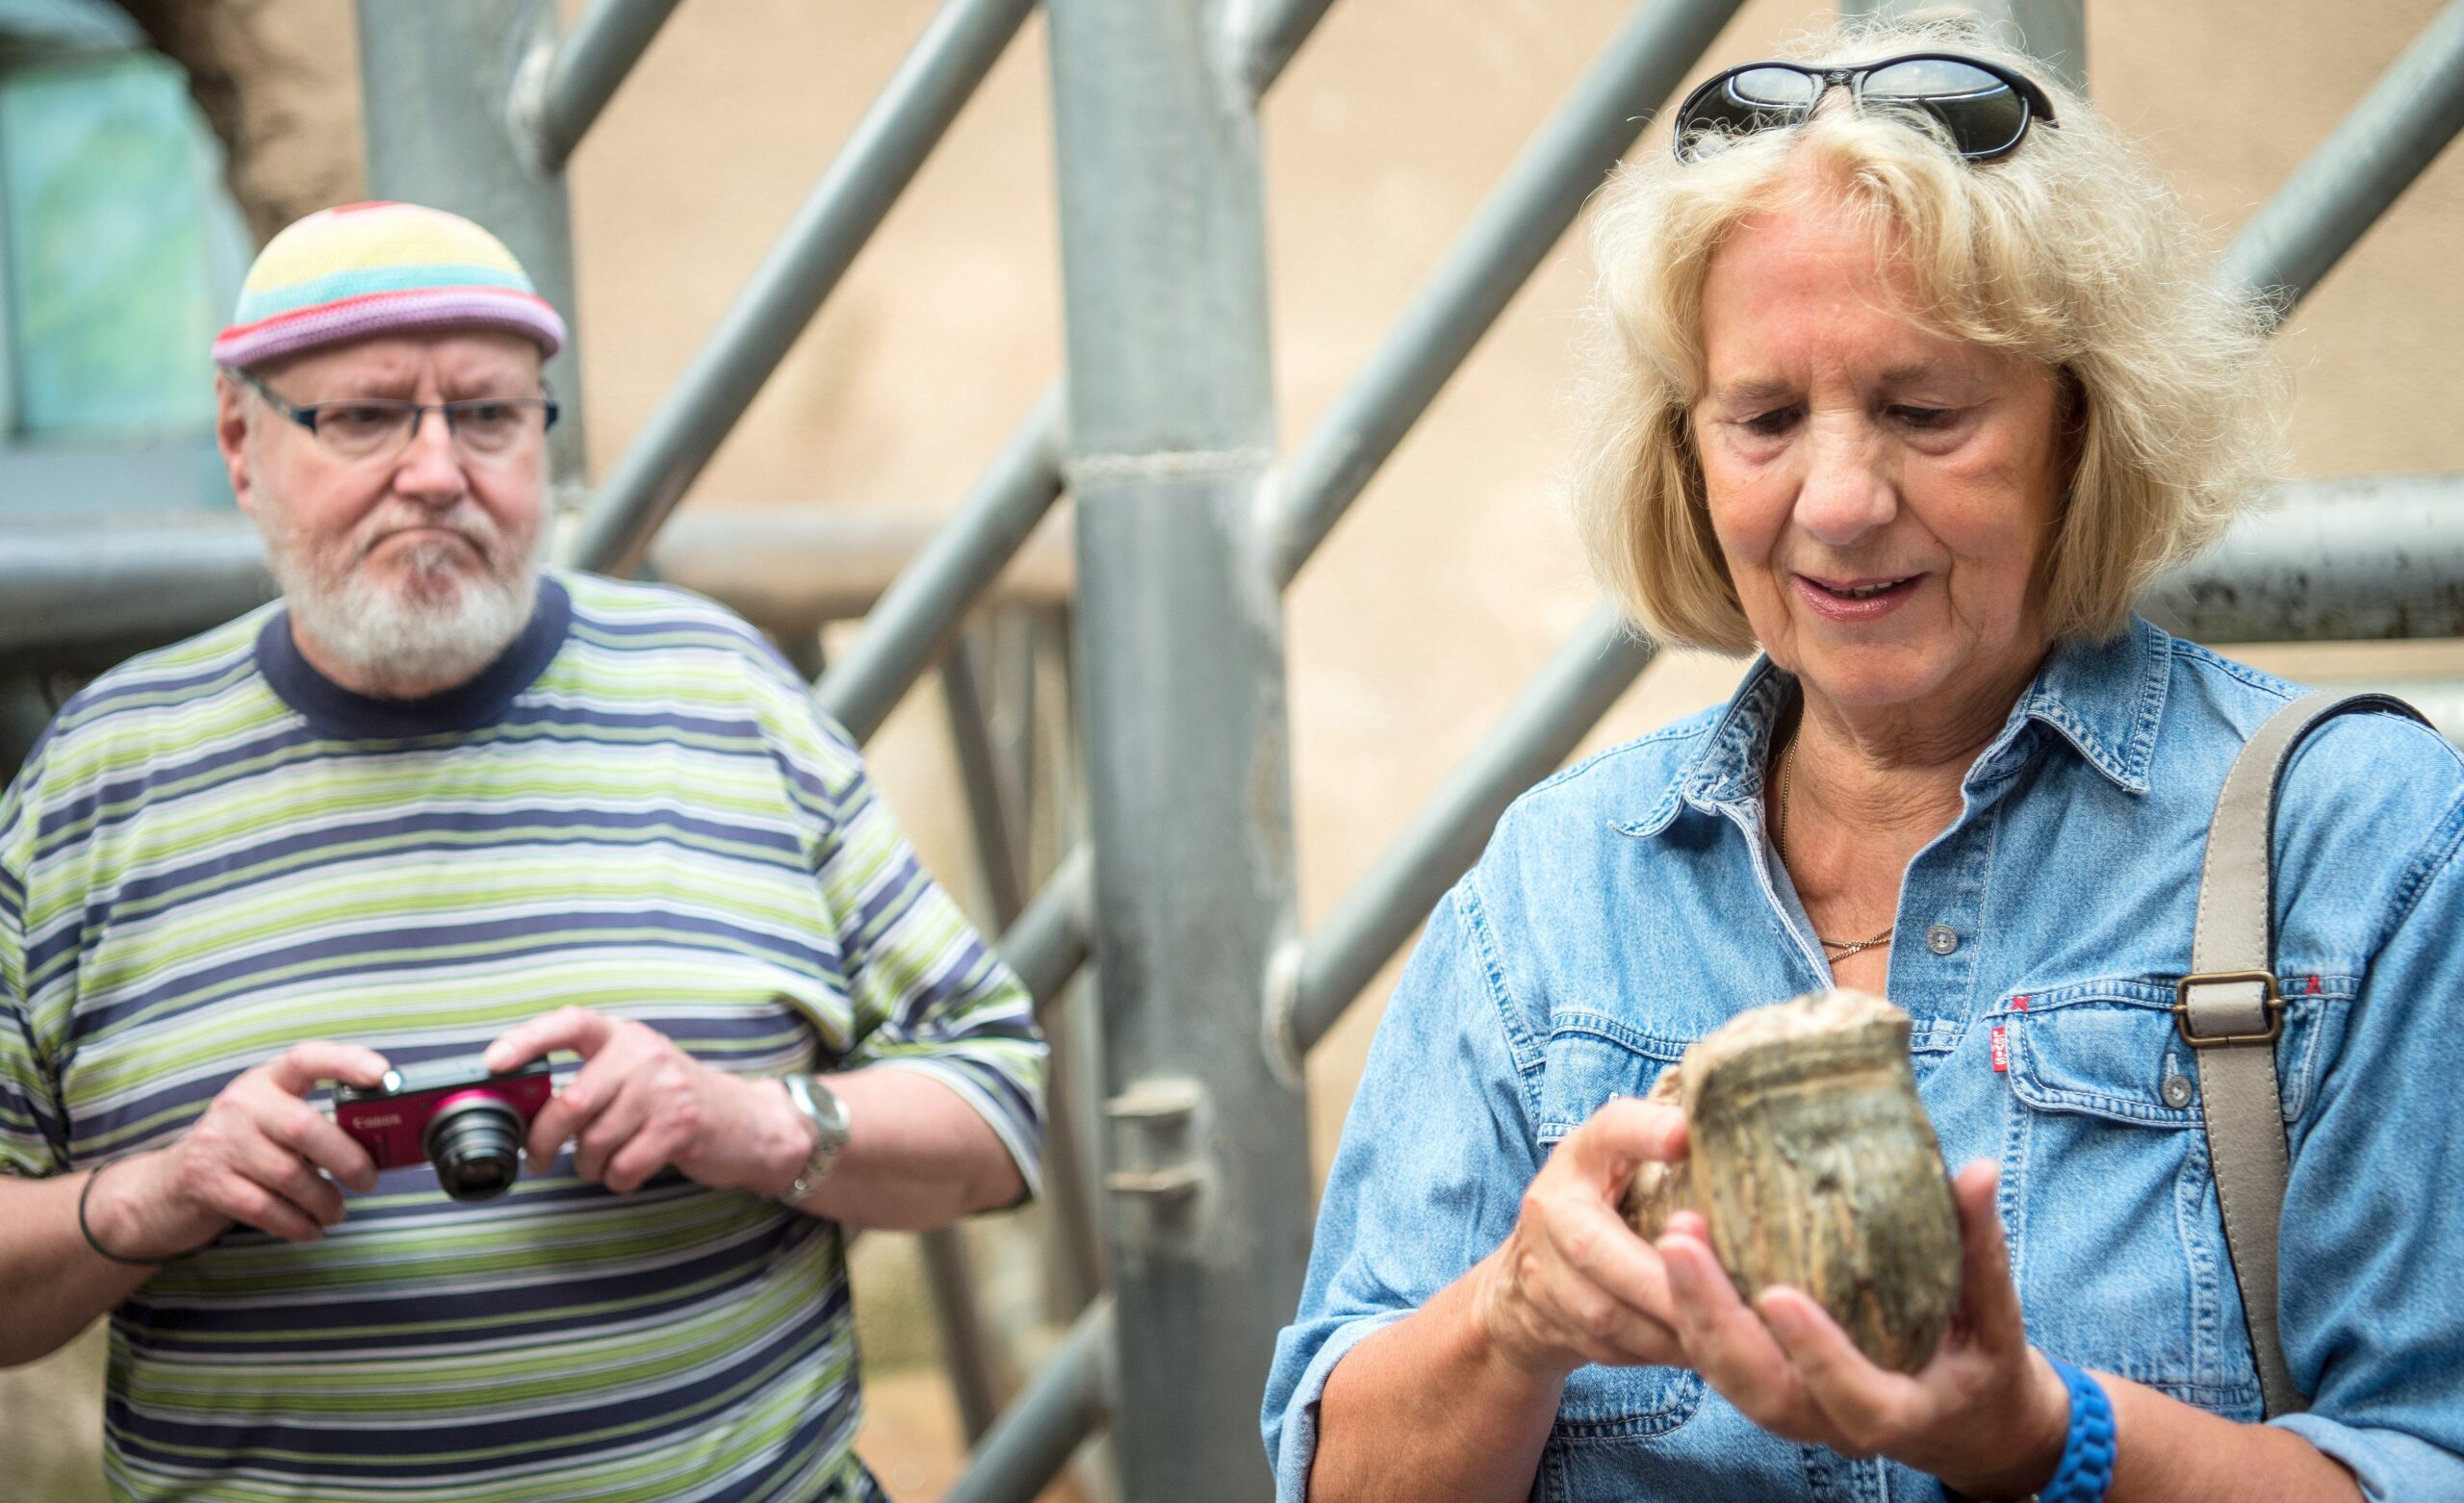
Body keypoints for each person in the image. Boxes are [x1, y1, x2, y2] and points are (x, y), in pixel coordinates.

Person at [1266, 25, 2464, 1503]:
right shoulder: (1555, 888)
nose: (1836, 500)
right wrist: (1517, 1313)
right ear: (1684, 455)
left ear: (2080, 426)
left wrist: (2051, 1440)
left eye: (1923, 410)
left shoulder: (2360, 849)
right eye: (1765, 418)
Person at [0, 201, 1045, 1501]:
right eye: (369, 415)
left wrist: (752, 1121)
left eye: (489, 414)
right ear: (241, 439)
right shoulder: (97, 779)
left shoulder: (725, 701)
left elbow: (1000, 1104)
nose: (438, 468)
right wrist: (144, 1200)